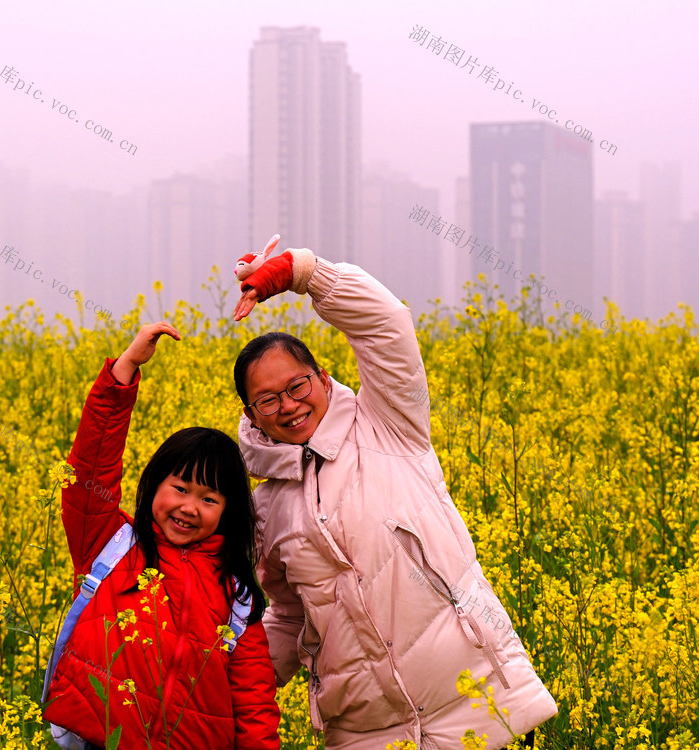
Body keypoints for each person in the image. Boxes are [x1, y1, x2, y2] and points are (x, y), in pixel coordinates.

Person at [231, 241, 558, 750]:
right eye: (268, 400)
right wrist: (221, 686)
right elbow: (291, 614)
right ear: (252, 416)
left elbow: (386, 325)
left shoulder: (388, 423)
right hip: (365, 733)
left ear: (322, 377)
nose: (288, 406)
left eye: (297, 387)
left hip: (481, 704)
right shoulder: (266, 509)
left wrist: (305, 273)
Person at [42, 322, 281, 750]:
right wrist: (124, 371)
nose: (189, 507)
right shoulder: (113, 546)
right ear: (154, 485)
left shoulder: (237, 595)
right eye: (181, 488)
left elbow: (253, 700)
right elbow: (90, 469)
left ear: (229, 513)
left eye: (210, 499)